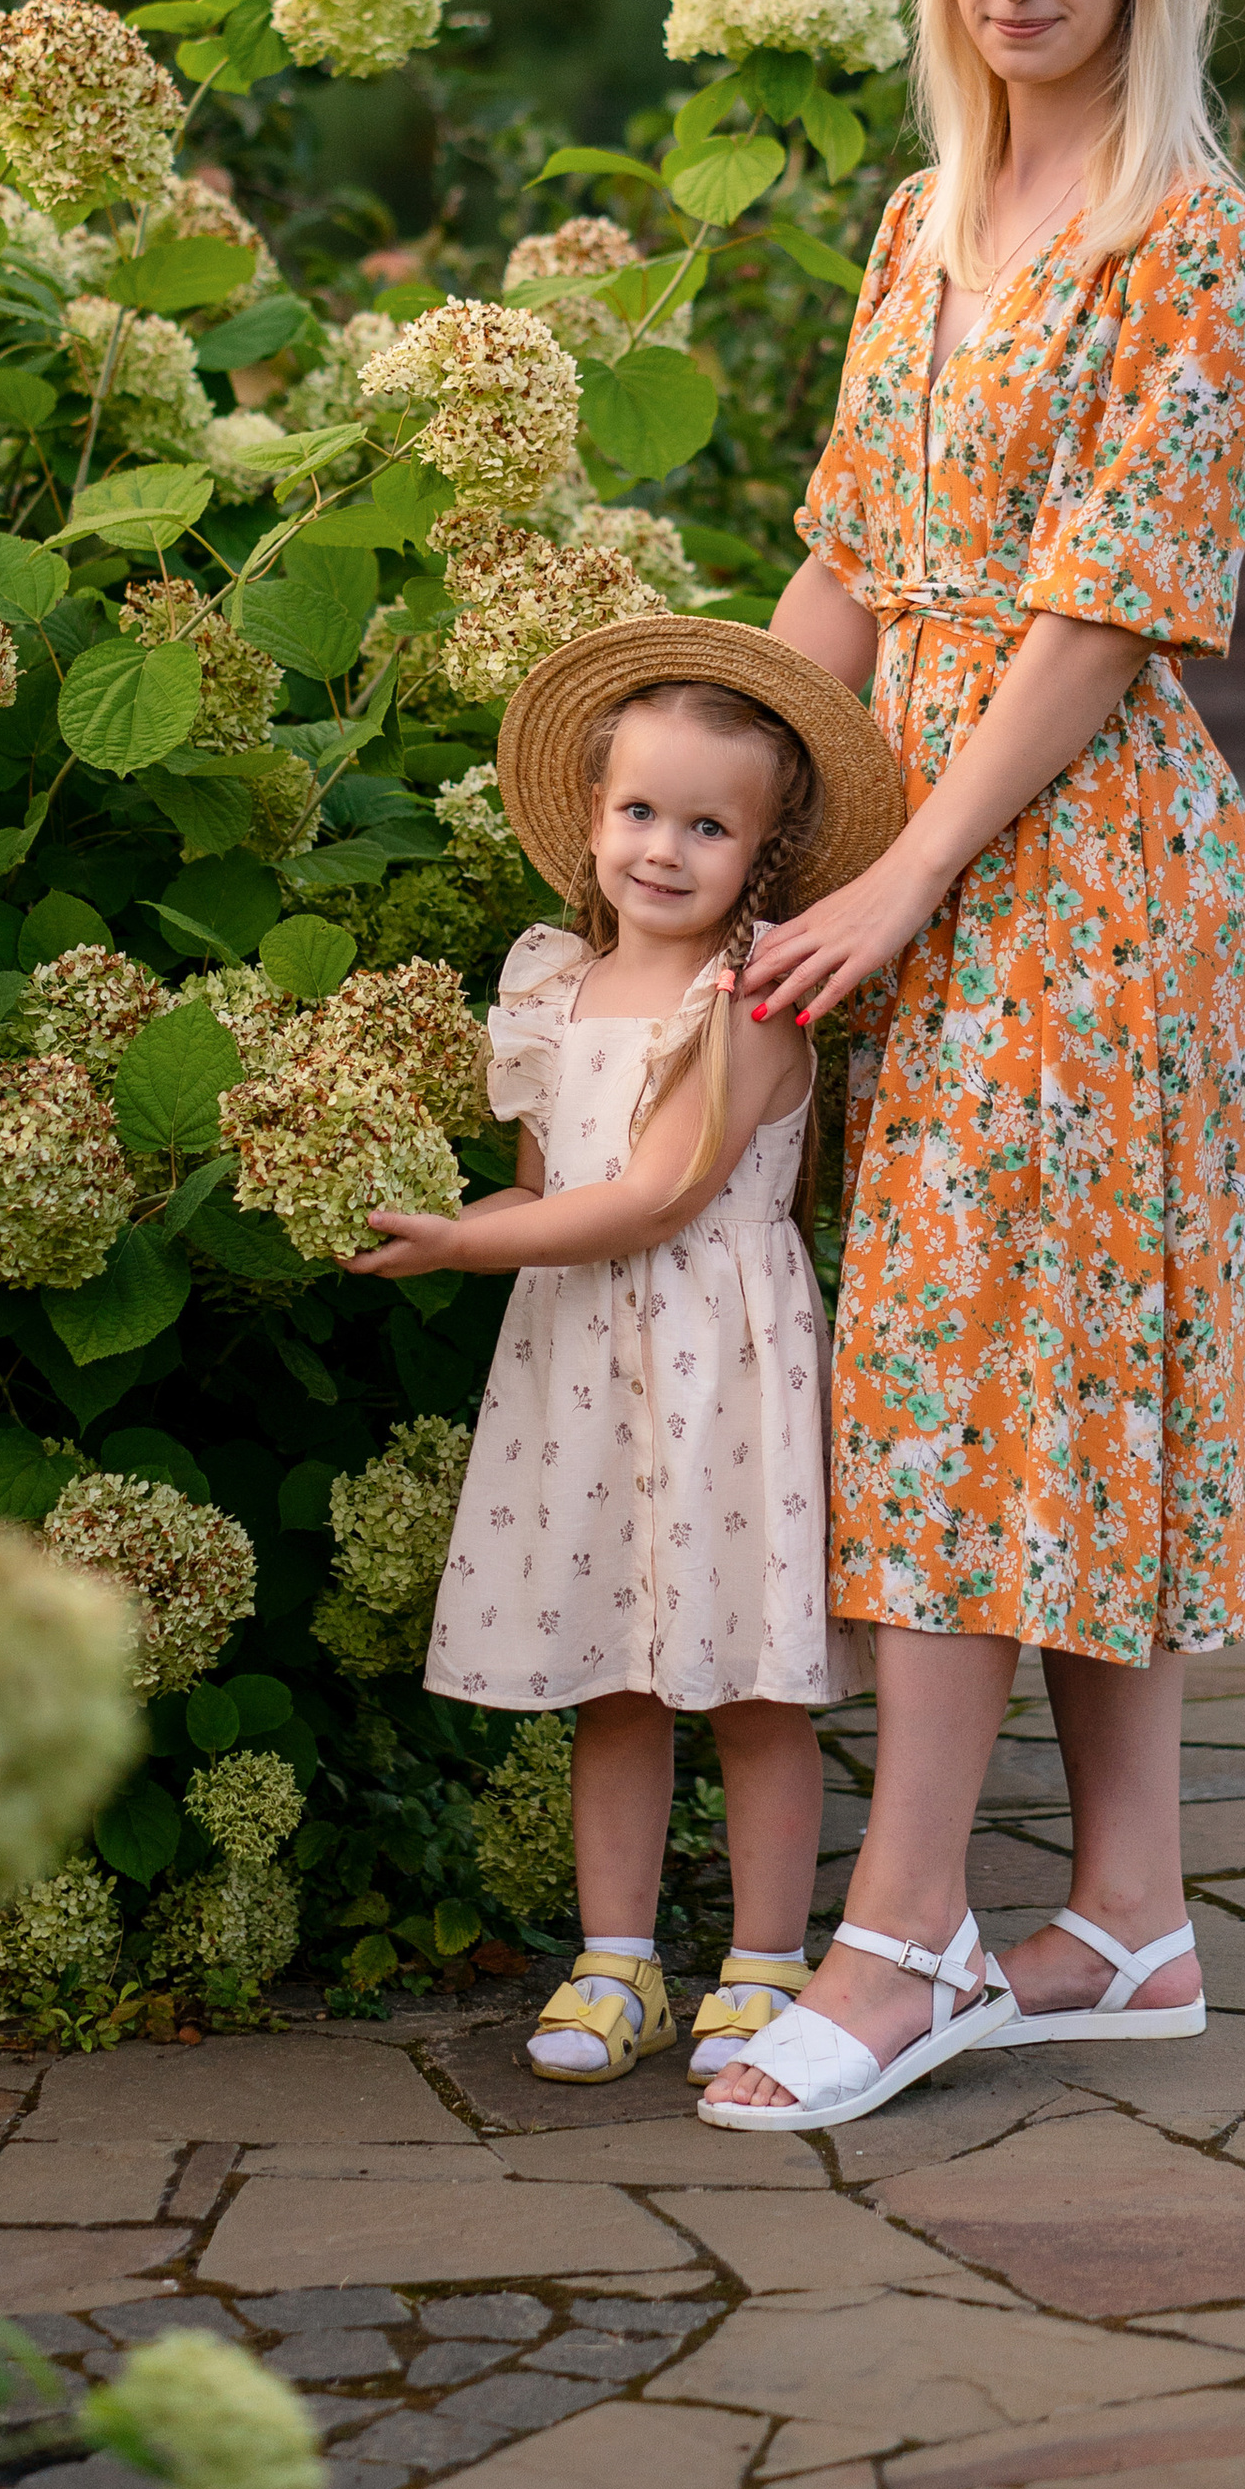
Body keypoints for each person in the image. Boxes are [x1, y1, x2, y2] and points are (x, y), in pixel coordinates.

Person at [700, 0, 1245, 2133]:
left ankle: (907, 1933)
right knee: (1022, 1392)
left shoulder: (1188, 237)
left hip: (1081, 887)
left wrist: (893, 874)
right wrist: (726, 810)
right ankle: (1130, 1917)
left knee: (962, 1393)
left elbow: (1090, 626)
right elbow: (847, 558)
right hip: (895, 858)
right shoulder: (917, 215)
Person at [343, 618, 903, 2089]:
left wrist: (470, 1249)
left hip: (715, 1357)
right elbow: (548, 1184)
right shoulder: (550, 988)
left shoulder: (754, 1005)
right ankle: (619, 1963)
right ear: (591, 822)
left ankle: (768, 1960)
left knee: (750, 1680)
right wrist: (452, 1209)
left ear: (764, 856)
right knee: (618, 1676)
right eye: (639, 812)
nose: (664, 848)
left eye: (708, 826)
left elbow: (655, 1196)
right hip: (585, 1361)